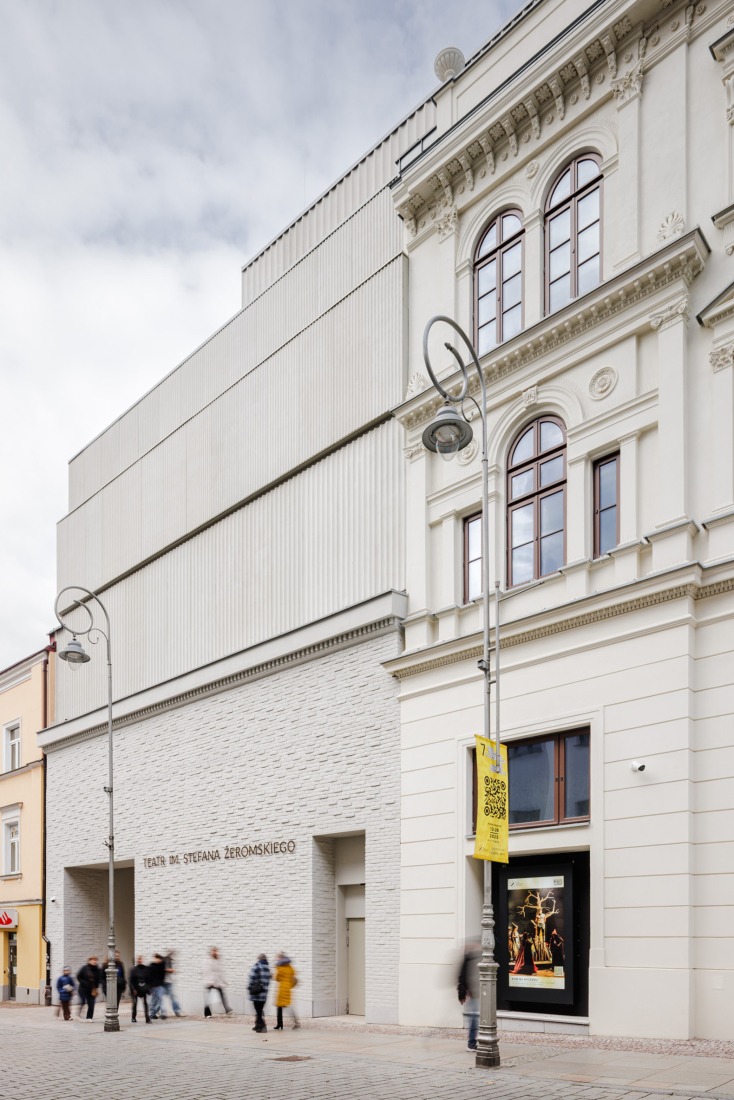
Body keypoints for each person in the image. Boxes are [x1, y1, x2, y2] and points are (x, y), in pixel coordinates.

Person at [457, 941, 480, 1051]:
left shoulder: (475, 958)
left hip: (477, 993)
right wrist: (462, 994)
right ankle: (471, 1043)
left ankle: (472, 1042)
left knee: (475, 1018)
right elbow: (462, 978)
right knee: (474, 1018)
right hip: (473, 994)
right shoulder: (469, 959)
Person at [203, 947, 233, 1017]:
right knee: (207, 998)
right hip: (209, 981)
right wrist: (207, 981)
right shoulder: (207, 960)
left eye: (216, 951)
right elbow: (205, 971)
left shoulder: (218, 960)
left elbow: (221, 972)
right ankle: (207, 1014)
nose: (215, 952)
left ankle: (227, 1010)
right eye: (213, 951)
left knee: (222, 995)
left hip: (217, 982)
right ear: (210, 952)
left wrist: (224, 981)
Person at [272, 951, 299, 1030]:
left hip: (282, 990)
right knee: (283, 1007)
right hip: (288, 989)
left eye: (278, 957)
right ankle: (281, 1024)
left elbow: (277, 978)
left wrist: (276, 968)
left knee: (282, 1007)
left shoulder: (280, 967)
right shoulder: (290, 967)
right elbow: (293, 975)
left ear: (280, 958)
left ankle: (293, 1022)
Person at [248, 953, 271, 1032]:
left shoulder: (257, 966)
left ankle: (263, 1026)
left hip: (257, 993)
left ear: (259, 959)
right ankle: (257, 1025)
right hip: (264, 994)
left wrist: (250, 987)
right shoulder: (268, 968)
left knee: (258, 1011)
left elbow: (251, 978)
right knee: (260, 1010)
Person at [76, 956, 102, 1021]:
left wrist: (98, 985)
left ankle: (89, 1017)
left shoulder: (98, 969)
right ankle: (78, 1014)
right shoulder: (84, 968)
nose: (94, 961)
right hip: (83, 989)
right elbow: (78, 976)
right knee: (83, 1001)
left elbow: (99, 979)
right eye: (93, 960)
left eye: (95, 960)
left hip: (92, 990)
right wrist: (83, 982)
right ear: (89, 961)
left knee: (91, 1004)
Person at [158, 949, 183, 1017]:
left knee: (172, 997)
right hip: (162, 982)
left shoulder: (172, 962)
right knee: (160, 997)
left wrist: (168, 969)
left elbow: (172, 970)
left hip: (169, 982)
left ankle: (177, 1011)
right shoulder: (164, 960)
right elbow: (161, 969)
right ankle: (161, 1012)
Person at [129, 954, 151, 1023]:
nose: (139, 960)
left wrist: (148, 988)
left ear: (142, 960)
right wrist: (133, 989)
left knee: (145, 1003)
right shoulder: (133, 969)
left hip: (143, 989)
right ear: (137, 960)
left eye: (140, 959)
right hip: (136, 989)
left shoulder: (146, 968)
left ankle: (147, 1018)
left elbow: (148, 979)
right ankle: (133, 1017)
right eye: (138, 959)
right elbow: (131, 981)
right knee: (135, 1003)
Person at [148, 953, 167, 1019]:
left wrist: (161, 960)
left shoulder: (161, 966)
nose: (157, 960)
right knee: (154, 1001)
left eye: (158, 958)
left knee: (161, 999)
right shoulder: (151, 966)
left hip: (160, 986)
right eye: (155, 958)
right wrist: (149, 987)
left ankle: (163, 1013)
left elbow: (163, 965)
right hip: (153, 986)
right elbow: (148, 977)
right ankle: (152, 1014)